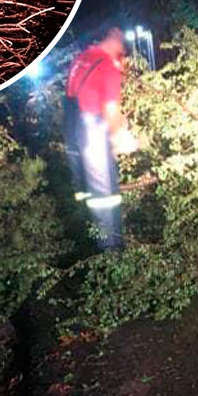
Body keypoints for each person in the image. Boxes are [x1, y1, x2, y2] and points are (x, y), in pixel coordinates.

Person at [64, 28, 138, 252]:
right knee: (105, 198)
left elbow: (82, 93)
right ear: (119, 48)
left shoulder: (83, 58)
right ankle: (111, 253)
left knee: (88, 192)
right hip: (92, 128)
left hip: (75, 128)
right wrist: (123, 139)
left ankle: (90, 237)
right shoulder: (107, 66)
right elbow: (110, 112)